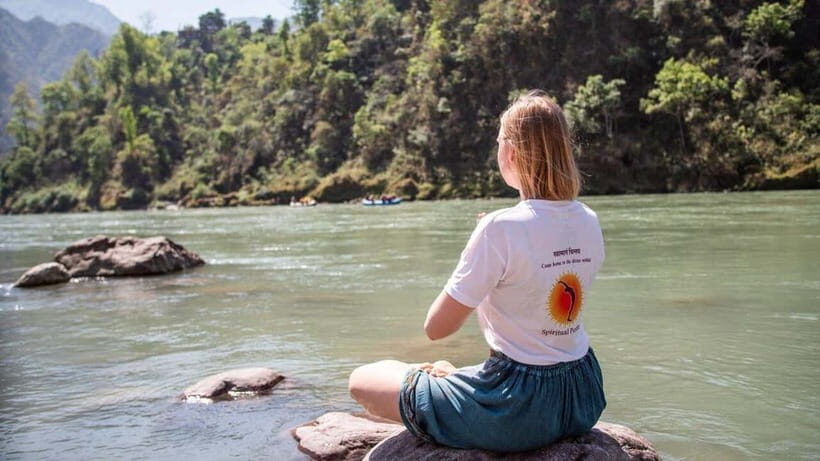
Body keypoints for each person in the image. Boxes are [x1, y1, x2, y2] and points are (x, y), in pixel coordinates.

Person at [348, 90, 607, 452]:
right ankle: (452, 377)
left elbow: (437, 328)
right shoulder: (588, 219)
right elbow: (541, 262)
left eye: (499, 142)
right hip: (583, 392)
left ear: (511, 153)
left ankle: (447, 381)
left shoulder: (498, 229)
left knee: (364, 379)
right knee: (438, 371)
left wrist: (478, 248)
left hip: (518, 406)